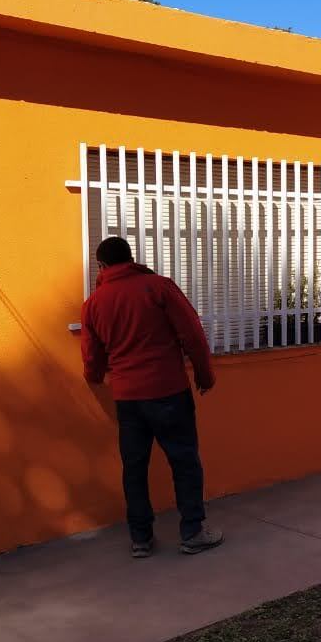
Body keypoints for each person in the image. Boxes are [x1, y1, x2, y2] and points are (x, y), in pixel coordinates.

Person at [81, 236, 223, 558]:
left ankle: (141, 539)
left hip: (128, 399)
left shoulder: (93, 304)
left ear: (102, 266)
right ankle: (192, 533)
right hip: (168, 391)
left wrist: (94, 379)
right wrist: (204, 375)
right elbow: (192, 333)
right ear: (131, 258)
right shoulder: (158, 287)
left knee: (134, 467)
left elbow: (92, 357)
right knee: (184, 461)